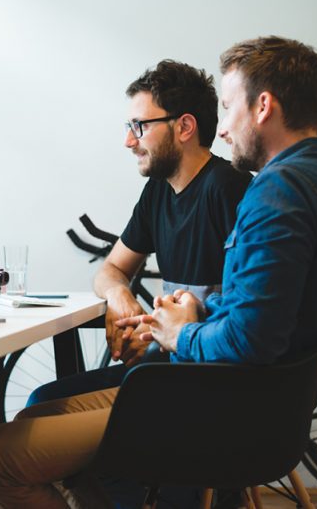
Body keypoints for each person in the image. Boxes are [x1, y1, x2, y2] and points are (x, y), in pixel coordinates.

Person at [0, 36, 317, 509]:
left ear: (263, 106)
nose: (221, 129)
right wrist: (197, 309)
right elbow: (264, 307)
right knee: (40, 409)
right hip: (249, 402)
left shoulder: (273, 193)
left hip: (216, 406)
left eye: (227, 108)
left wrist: (179, 334)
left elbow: (251, 341)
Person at [27, 60, 251, 409]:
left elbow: (242, 315)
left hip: (207, 381)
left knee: (44, 406)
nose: (129, 141)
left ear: (185, 127)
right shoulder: (158, 192)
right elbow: (110, 271)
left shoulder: (228, 189)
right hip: (173, 363)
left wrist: (153, 335)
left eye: (139, 126)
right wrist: (121, 298)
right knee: (43, 399)